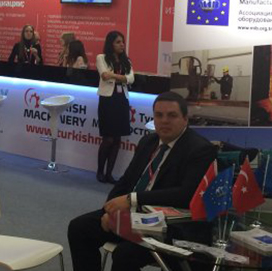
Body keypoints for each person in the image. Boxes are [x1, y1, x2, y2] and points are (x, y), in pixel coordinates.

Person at [67, 92, 217, 271]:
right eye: (159, 115)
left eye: (172, 115)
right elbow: (126, 181)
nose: (164, 121)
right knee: (79, 228)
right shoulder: (148, 141)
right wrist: (111, 212)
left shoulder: (200, 149)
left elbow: (185, 194)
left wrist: (134, 199)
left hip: (166, 225)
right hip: (132, 215)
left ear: (185, 119)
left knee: (124, 255)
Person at [95, 31, 135, 183]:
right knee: (108, 139)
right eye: (118, 42)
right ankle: (100, 171)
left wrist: (115, 76)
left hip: (121, 100)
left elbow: (131, 79)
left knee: (117, 139)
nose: (122, 45)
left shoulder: (126, 61)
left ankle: (109, 174)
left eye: (122, 42)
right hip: (108, 100)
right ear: (111, 44)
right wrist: (122, 78)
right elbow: (104, 75)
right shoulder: (101, 58)